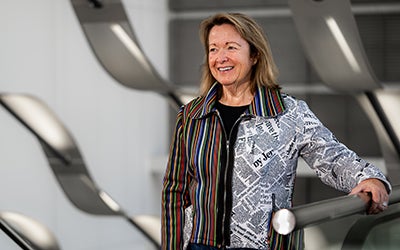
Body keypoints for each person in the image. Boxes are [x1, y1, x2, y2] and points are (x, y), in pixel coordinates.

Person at [161, 12, 391, 250]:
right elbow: (175, 189)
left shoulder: (289, 113)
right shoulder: (192, 115)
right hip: (200, 245)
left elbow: (332, 157)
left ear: (255, 55)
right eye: (213, 49)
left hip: (267, 245)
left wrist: (369, 178)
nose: (220, 58)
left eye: (231, 47)